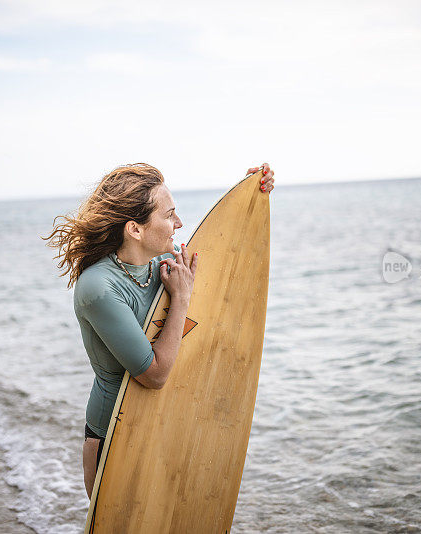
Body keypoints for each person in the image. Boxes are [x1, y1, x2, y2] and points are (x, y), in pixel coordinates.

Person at [45, 162, 275, 498]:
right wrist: (180, 298)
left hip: (165, 422)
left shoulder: (161, 267)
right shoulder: (99, 288)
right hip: (115, 435)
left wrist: (255, 194)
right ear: (135, 230)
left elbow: (232, 270)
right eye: (169, 216)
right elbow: (154, 375)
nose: (179, 224)